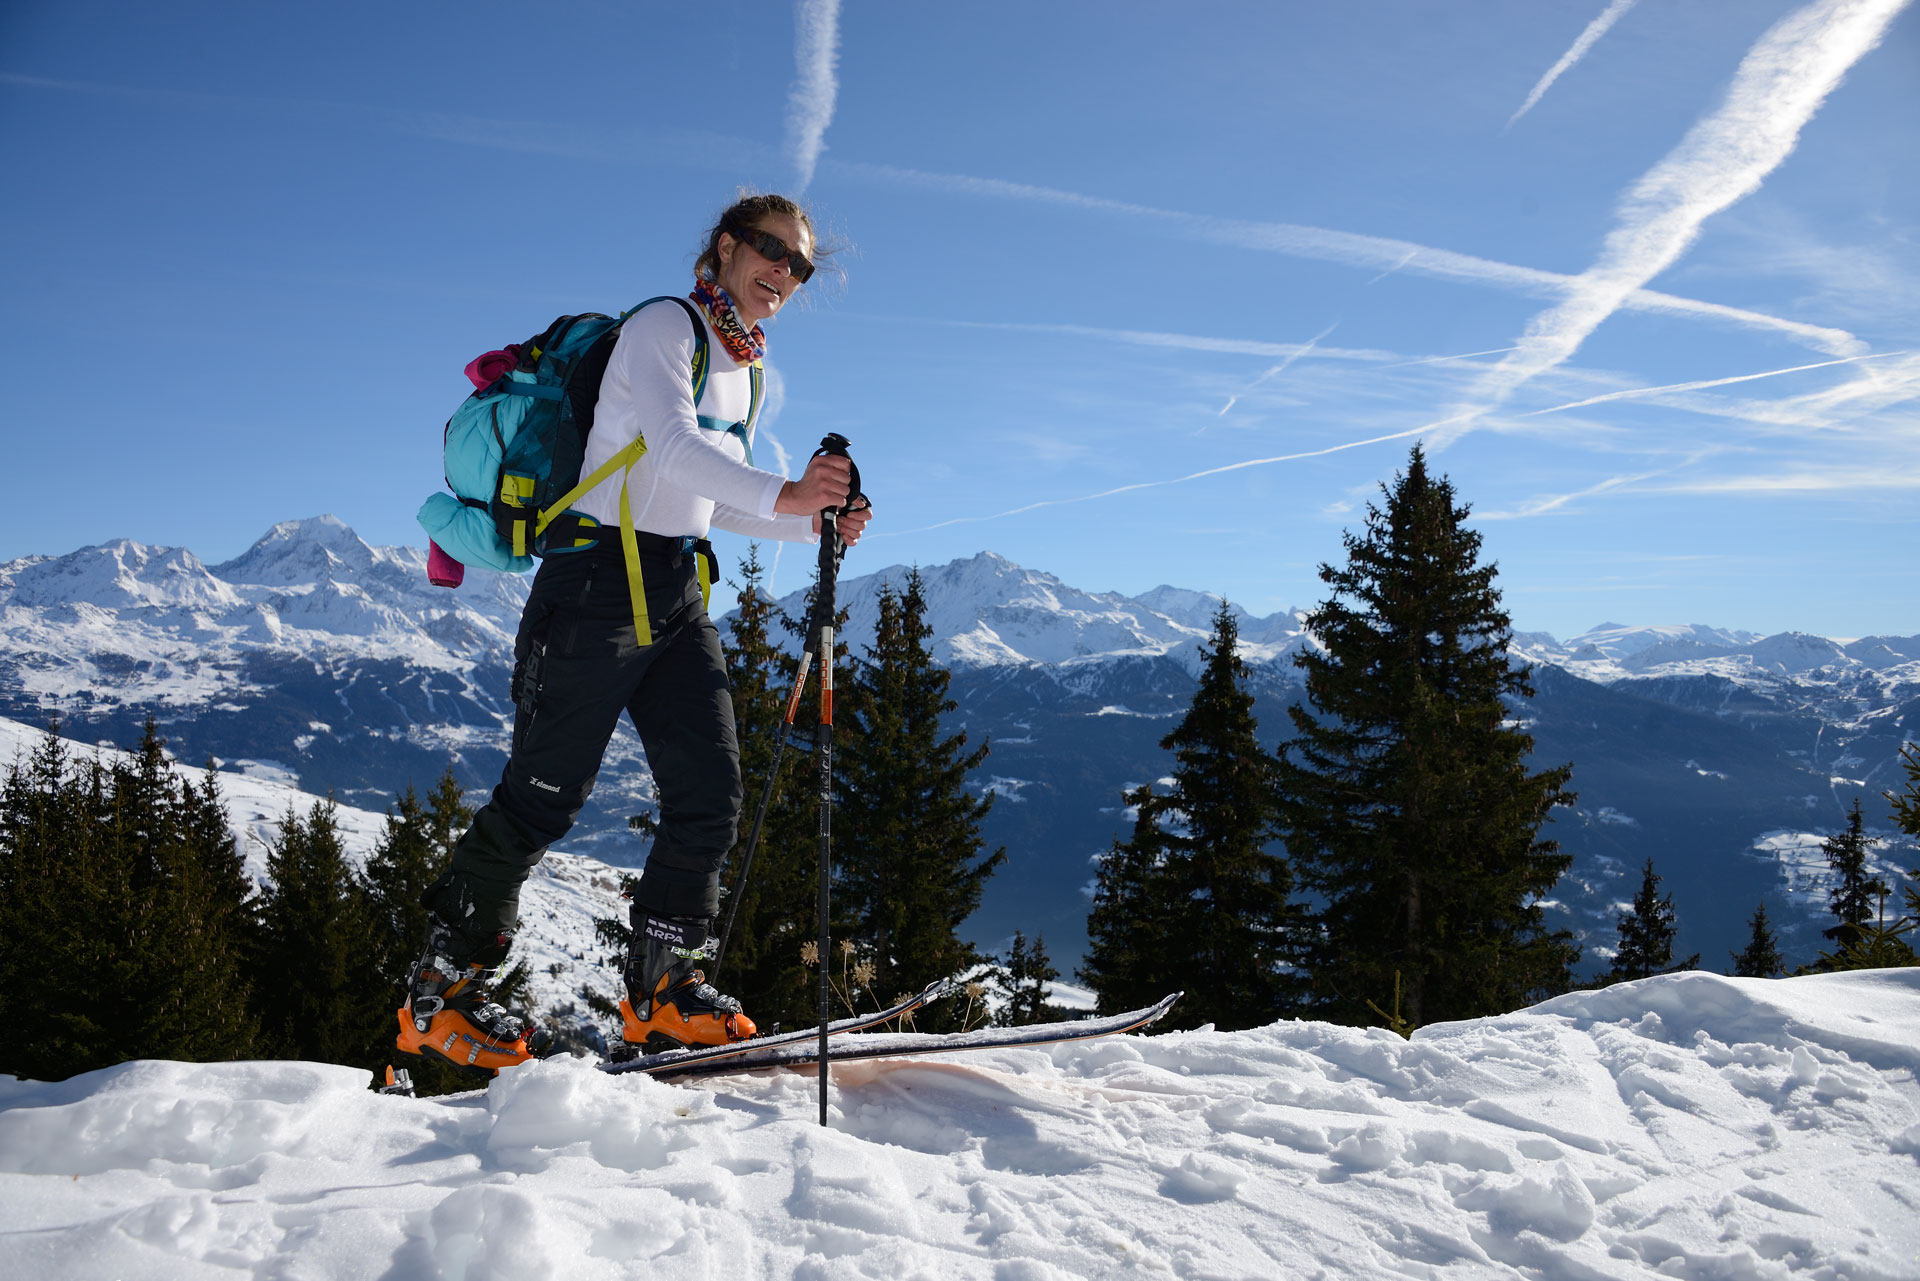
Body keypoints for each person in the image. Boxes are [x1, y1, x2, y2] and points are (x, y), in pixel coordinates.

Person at [397, 193, 871, 1072]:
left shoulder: (748, 366)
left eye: (800, 266)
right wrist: (794, 495)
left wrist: (813, 522)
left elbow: (716, 496)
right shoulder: (666, 326)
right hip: (590, 588)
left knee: (710, 791)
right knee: (543, 796)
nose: (784, 273)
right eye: (771, 251)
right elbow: (670, 449)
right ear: (726, 247)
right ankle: (439, 992)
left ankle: (664, 989)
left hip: (672, 589)